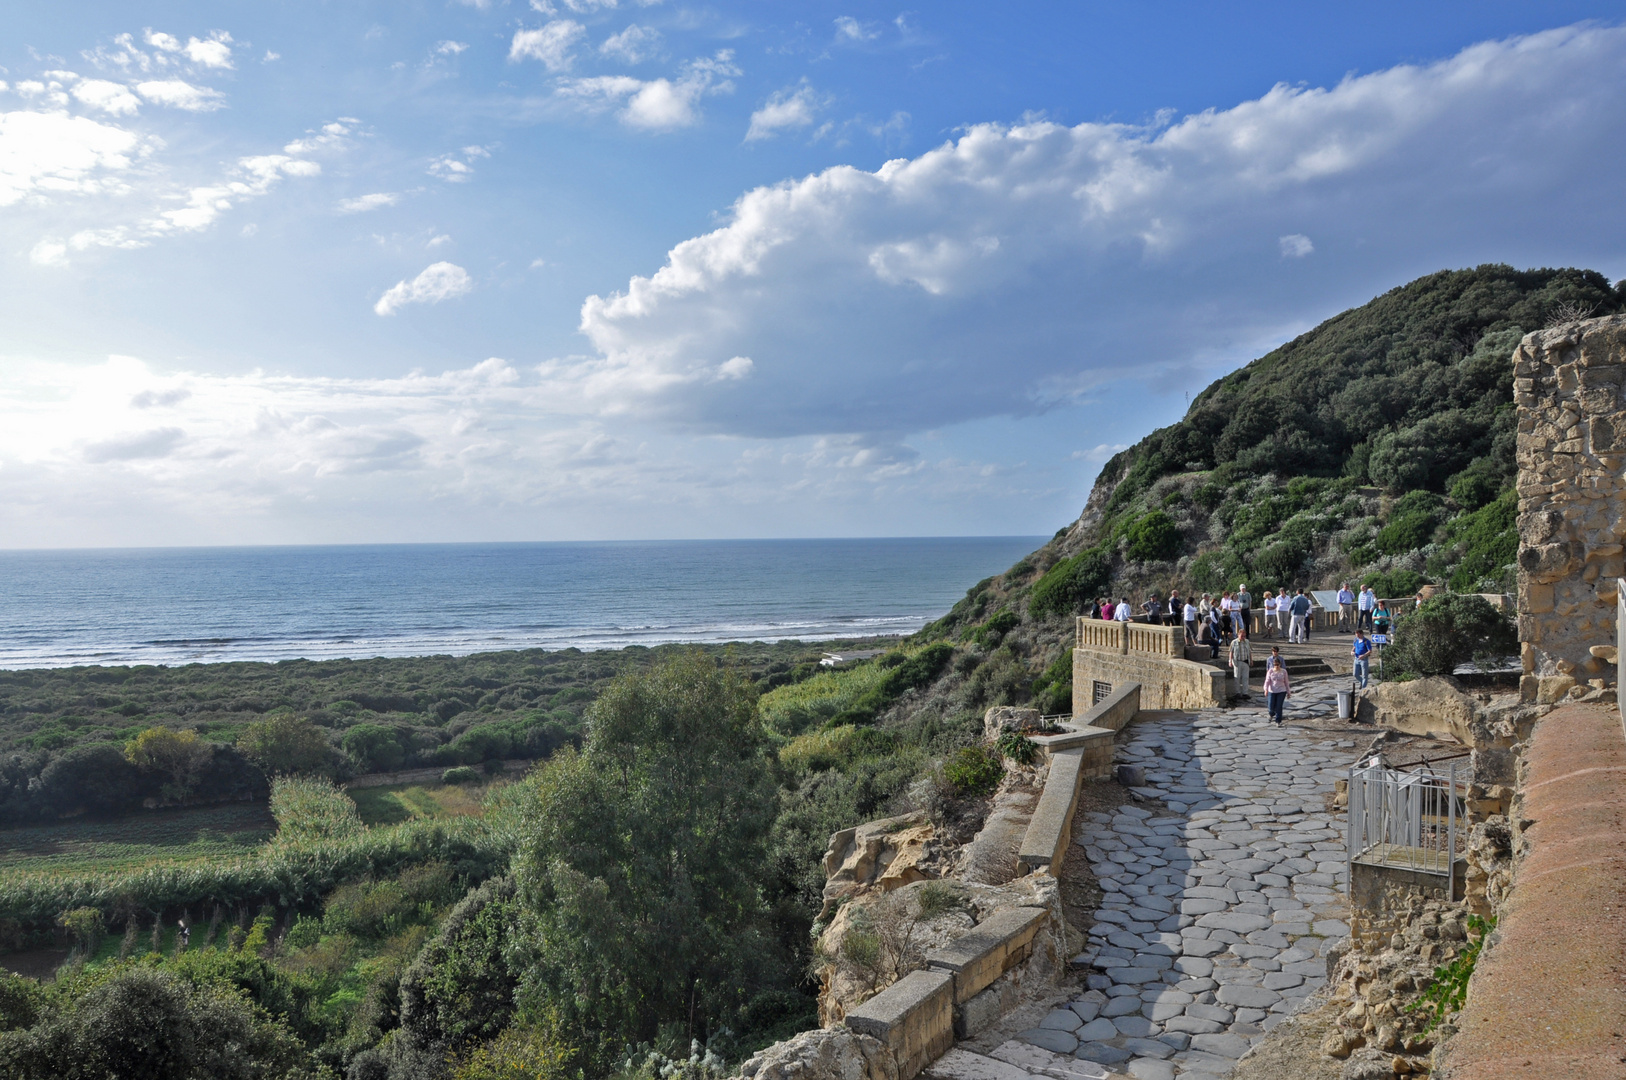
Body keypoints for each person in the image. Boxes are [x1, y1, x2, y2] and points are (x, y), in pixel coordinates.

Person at [1263, 646, 1290, 724]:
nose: (1276, 666)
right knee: (1271, 706)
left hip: (1281, 690)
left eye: (1278, 665)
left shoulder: (1283, 671)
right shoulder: (1270, 670)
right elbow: (1267, 680)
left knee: (1279, 706)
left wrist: (1288, 692)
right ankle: (1271, 714)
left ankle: (1278, 720)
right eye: (1275, 665)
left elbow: (1286, 682)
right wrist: (1266, 689)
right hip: (1272, 689)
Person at [1230, 625, 1254, 697]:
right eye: (1242, 636)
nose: (1243, 637)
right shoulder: (1234, 642)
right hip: (1237, 661)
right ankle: (1237, 692)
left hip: (1246, 661)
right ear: (1238, 635)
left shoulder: (1247, 642)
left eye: (1244, 636)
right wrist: (1230, 661)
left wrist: (1251, 660)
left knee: (1245, 678)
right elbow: (1231, 652)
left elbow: (1249, 651)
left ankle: (1245, 693)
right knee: (1237, 677)